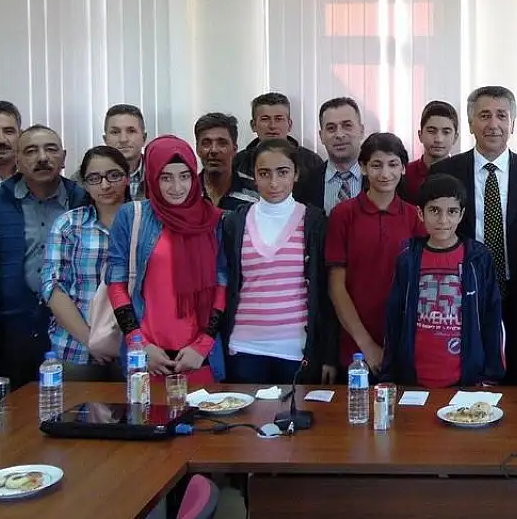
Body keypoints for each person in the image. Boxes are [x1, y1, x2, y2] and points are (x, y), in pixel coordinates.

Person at [435, 86, 517, 384]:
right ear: (470, 124)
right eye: (484, 115)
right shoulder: (446, 173)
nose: (493, 124)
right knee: (466, 379)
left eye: (501, 116)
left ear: (513, 124)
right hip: (462, 296)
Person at [107, 136, 228, 383]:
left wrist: (203, 345)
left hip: (198, 358)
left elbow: (221, 285)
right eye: (166, 178)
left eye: (184, 176)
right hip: (147, 358)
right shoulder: (131, 216)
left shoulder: (213, 220)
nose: (177, 187)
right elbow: (116, 284)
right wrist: (138, 344)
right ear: (152, 177)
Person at [221, 139, 337, 384]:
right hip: (245, 348)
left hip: (296, 351)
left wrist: (329, 353)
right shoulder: (235, 222)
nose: (273, 183)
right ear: (254, 176)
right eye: (264, 173)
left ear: (296, 174)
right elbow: (226, 283)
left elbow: (325, 293)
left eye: (282, 172)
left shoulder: (314, 222)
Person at [0, 125, 86, 388]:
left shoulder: (83, 201)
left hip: (73, 331)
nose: (42, 158)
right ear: (17, 160)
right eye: (31, 151)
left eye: (50, 150)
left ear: (63, 157)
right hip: (14, 332)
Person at [380, 174, 504, 388]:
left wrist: (491, 376)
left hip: (465, 378)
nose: (443, 220)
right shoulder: (408, 258)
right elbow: (394, 319)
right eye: (435, 210)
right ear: (420, 213)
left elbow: (492, 318)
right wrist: (389, 374)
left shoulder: (478, 258)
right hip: (414, 378)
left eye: (452, 211)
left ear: (461, 214)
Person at [326, 133, 424, 368]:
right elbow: (335, 286)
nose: (385, 173)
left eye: (393, 164)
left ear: (403, 168)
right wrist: (367, 346)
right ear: (363, 167)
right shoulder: (343, 214)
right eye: (376, 165)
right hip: (355, 347)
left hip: (404, 341)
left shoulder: (415, 216)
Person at [40, 146, 132, 381]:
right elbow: (53, 287)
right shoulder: (69, 224)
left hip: (134, 347)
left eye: (114, 175)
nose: (105, 185)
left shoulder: (144, 221)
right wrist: (91, 340)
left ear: (127, 177)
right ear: (85, 184)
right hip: (76, 348)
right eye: (94, 178)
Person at [233, 92, 325, 191]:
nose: (272, 126)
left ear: (289, 125)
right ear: (253, 125)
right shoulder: (238, 162)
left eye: (278, 119)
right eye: (265, 119)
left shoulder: (311, 162)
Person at [294, 97, 365, 215]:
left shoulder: (382, 179)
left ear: (361, 131)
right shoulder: (305, 183)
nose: (339, 135)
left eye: (347, 125)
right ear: (321, 136)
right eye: (331, 128)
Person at [194, 112, 258, 210]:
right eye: (206, 143)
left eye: (222, 143)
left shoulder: (256, 193)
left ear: (234, 149)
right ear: (197, 149)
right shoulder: (186, 192)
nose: (214, 150)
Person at [403, 101, 459, 202]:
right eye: (431, 131)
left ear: (455, 137)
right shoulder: (405, 174)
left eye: (446, 132)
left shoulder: (463, 173)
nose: (438, 139)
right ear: (420, 135)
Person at [104, 104, 150, 200]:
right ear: (105, 139)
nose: (123, 139)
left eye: (131, 131)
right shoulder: (87, 176)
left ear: (144, 138)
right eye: (115, 132)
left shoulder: (159, 173)